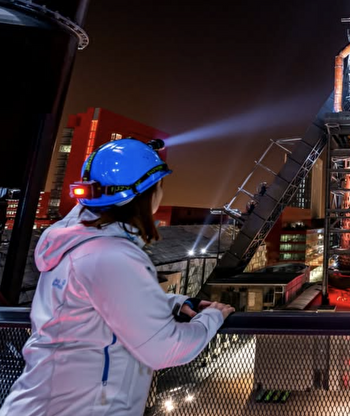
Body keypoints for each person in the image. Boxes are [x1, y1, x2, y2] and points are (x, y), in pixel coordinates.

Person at [0, 138, 234, 416]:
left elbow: (93, 308)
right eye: (159, 186)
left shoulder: (76, 244)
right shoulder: (111, 255)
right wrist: (212, 318)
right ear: (145, 194)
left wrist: (172, 303)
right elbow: (166, 349)